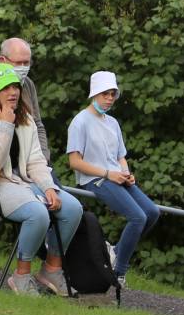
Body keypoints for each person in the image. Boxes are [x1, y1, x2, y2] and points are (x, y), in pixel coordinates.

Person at [0, 62, 81, 296]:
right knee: (37, 213)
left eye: (16, 87)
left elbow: (36, 161)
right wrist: (5, 124)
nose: (14, 92)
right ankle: (21, 276)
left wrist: (48, 187)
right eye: (6, 88)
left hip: (21, 185)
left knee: (72, 208)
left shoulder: (25, 120)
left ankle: (51, 270)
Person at [66, 71, 159, 287]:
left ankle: (115, 250)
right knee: (138, 217)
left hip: (116, 177)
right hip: (96, 179)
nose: (109, 98)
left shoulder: (113, 123)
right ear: (94, 94)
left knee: (152, 213)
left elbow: (120, 156)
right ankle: (119, 273)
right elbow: (75, 162)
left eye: (113, 94)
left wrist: (126, 173)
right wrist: (108, 173)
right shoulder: (80, 122)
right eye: (105, 94)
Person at [0, 37, 48, 160]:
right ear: (2, 60)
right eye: (18, 63)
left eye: (26, 63)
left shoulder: (28, 83)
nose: (23, 68)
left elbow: (37, 124)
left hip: (31, 158)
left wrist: (44, 157)